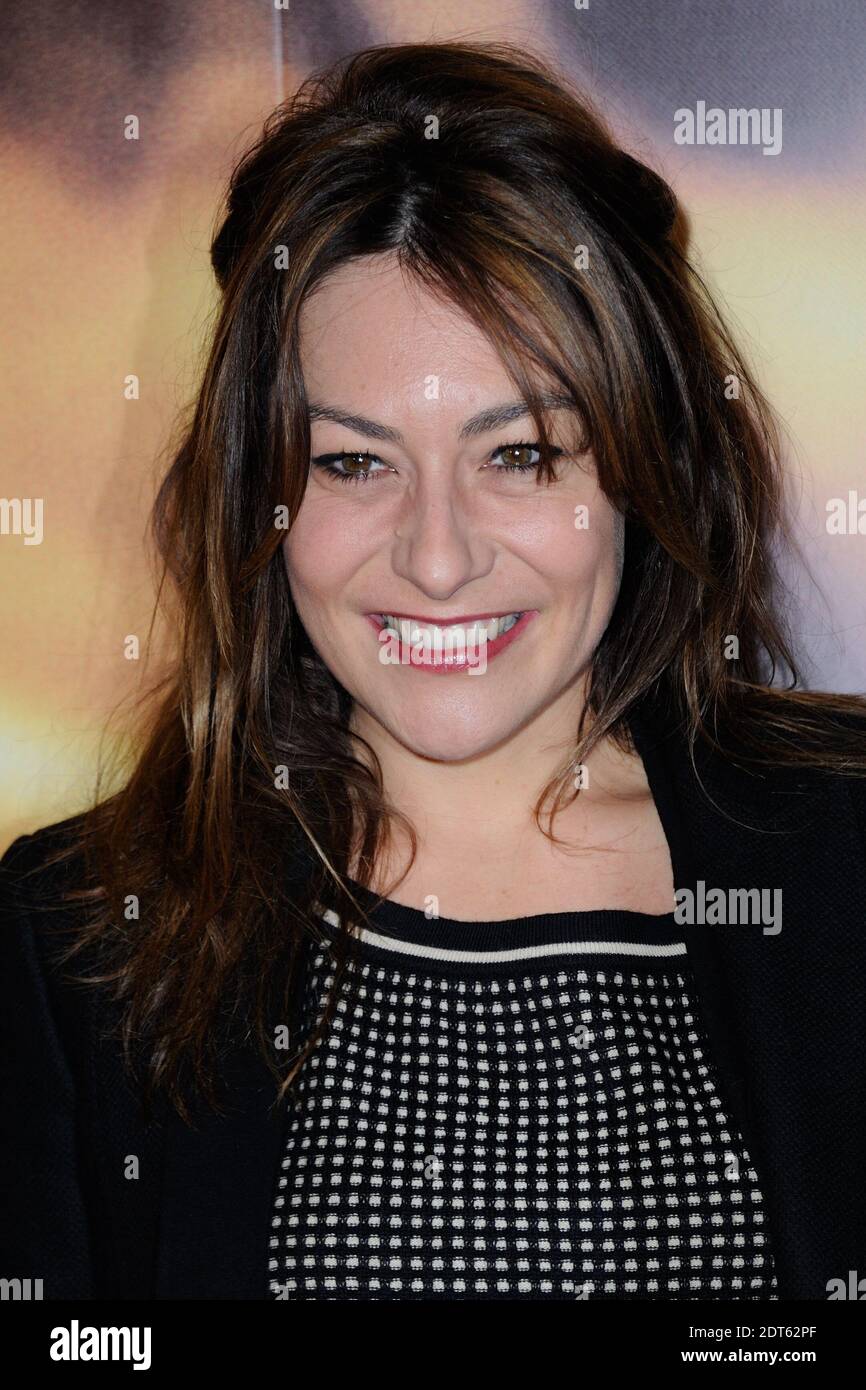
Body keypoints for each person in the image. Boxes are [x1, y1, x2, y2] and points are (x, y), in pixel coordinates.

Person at [1, 39, 865, 1303]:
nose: (439, 557)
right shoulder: (75, 940)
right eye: (353, 463)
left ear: (640, 468)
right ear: (263, 495)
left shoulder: (844, 850)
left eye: (518, 455)